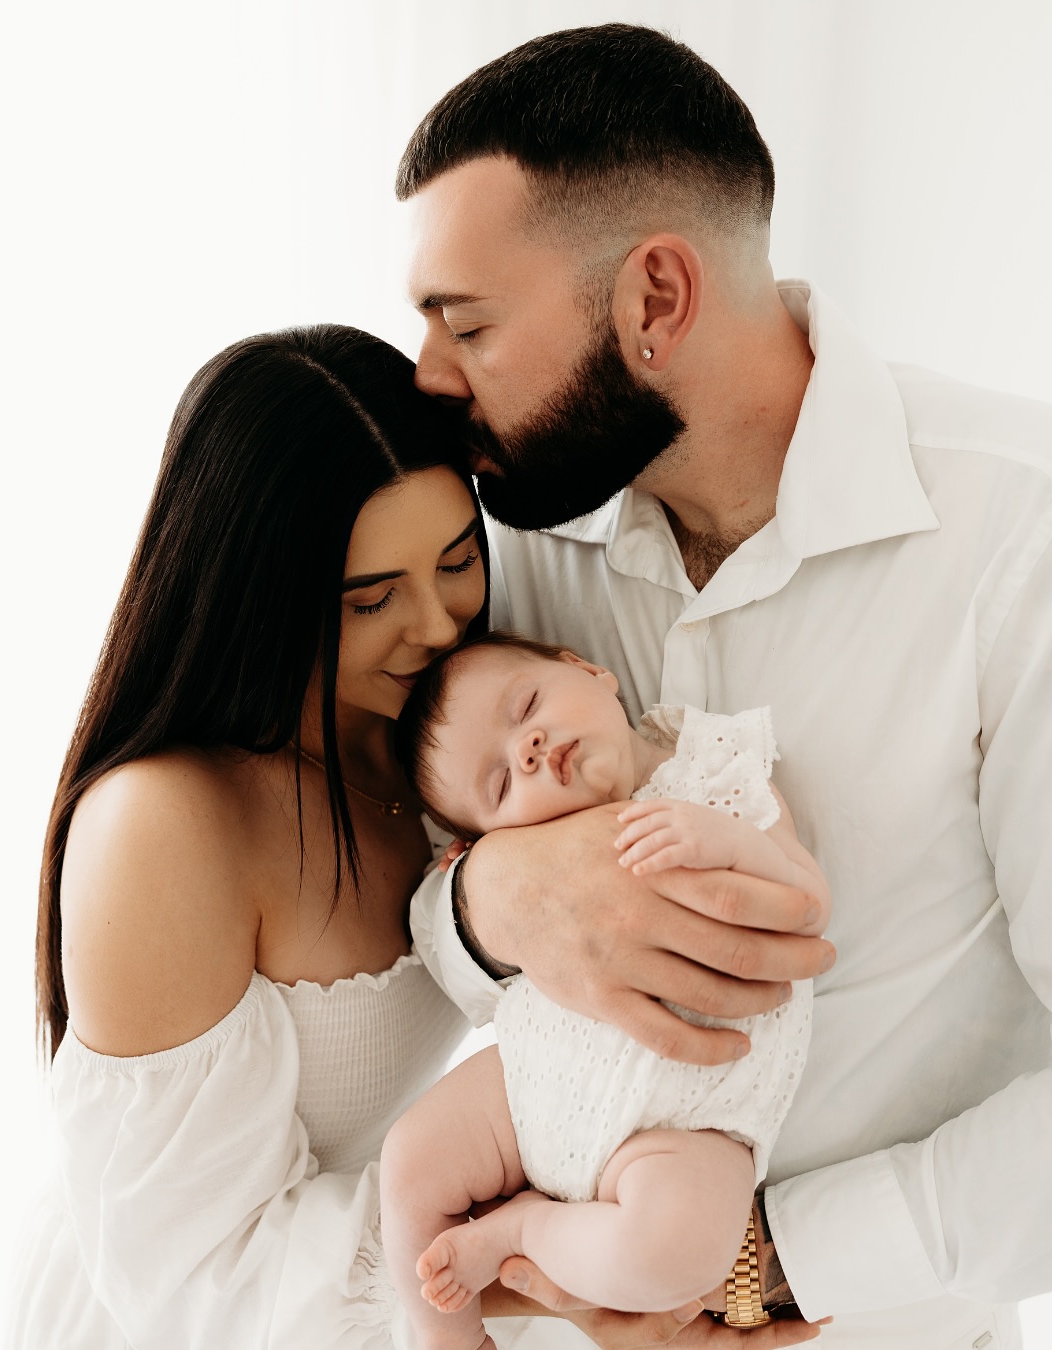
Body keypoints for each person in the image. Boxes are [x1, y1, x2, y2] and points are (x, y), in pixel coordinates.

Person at [398, 23, 1052, 1349]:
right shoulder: (507, 541)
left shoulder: (1015, 537)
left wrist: (769, 1261)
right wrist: (492, 895)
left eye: (467, 322)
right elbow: (414, 914)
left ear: (655, 297)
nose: (428, 376)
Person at [9, 324, 684, 1350]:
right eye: (371, 599)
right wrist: (554, 1260)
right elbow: (200, 1281)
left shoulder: (452, 731)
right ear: (261, 601)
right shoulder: (166, 824)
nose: (437, 626)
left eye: (458, 560)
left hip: (408, 1265)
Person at [381, 630, 830, 1350]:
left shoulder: (716, 772)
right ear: (485, 840)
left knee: (681, 1253)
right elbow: (451, 916)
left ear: (588, 670)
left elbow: (807, 902)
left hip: (688, 1116)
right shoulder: (538, 864)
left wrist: (723, 841)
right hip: (537, 1076)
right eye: (500, 785)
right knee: (408, 1160)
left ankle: (528, 1227)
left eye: (526, 705)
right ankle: (449, 1341)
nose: (525, 749)